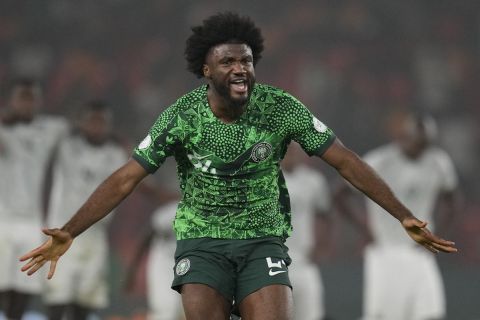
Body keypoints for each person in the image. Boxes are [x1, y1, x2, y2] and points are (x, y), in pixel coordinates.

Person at [20, 12, 457, 320]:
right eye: (228, 61)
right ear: (206, 68)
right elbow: (126, 178)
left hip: (262, 242)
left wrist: (402, 215)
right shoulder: (181, 115)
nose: (240, 69)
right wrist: (70, 231)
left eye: (246, 60)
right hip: (202, 243)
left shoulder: (281, 108)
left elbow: (344, 161)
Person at [335, 112, 459, 320]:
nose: (420, 149)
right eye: (417, 142)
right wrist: (365, 229)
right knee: (383, 316)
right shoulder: (380, 161)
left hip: (420, 251)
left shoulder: (438, 162)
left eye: (425, 144)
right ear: (404, 136)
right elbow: (340, 195)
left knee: (431, 313)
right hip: (386, 250)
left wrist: (439, 235)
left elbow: (453, 199)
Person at [42, 100, 128, 320]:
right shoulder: (65, 144)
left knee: (84, 304)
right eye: (92, 120)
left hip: (95, 236)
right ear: (81, 121)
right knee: (57, 300)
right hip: (62, 231)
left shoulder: (116, 154)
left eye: (102, 121)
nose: (97, 126)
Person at [0, 78, 68, 320]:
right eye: (22, 97)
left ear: (39, 102)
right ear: (11, 100)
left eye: (31, 98)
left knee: (23, 287)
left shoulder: (51, 129)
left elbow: (81, 130)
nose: (26, 103)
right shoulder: (3, 128)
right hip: (2, 218)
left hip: (32, 220)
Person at [282, 142, 331, 320]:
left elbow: (324, 215)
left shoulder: (314, 181)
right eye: (287, 150)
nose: (291, 155)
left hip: (304, 262)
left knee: (311, 314)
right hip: (274, 263)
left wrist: (322, 245)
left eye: (295, 151)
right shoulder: (266, 180)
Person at [125, 200, 185, 320]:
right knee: (165, 310)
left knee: (187, 311)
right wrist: (132, 270)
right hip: (164, 268)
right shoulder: (173, 211)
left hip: (189, 268)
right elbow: (148, 235)